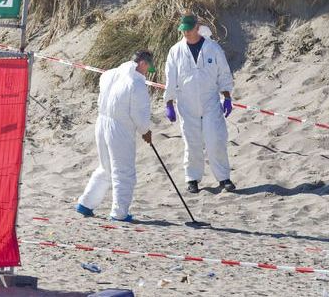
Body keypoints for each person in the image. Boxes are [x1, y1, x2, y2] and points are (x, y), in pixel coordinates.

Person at [76, 51, 155, 222]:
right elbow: (139, 114)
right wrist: (145, 131)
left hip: (101, 123)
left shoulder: (110, 74)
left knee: (105, 167)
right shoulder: (136, 83)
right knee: (124, 171)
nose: (147, 71)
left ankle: (86, 203)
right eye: (148, 67)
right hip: (119, 128)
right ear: (142, 63)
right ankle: (119, 213)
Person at [164, 13, 236, 194]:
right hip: (186, 105)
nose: (186, 33)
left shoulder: (213, 48)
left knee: (215, 140)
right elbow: (170, 78)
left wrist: (227, 97)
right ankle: (192, 179)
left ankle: (224, 178)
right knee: (192, 142)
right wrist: (169, 103)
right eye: (183, 30)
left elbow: (224, 74)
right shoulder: (175, 51)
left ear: (197, 28)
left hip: (210, 102)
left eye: (189, 30)